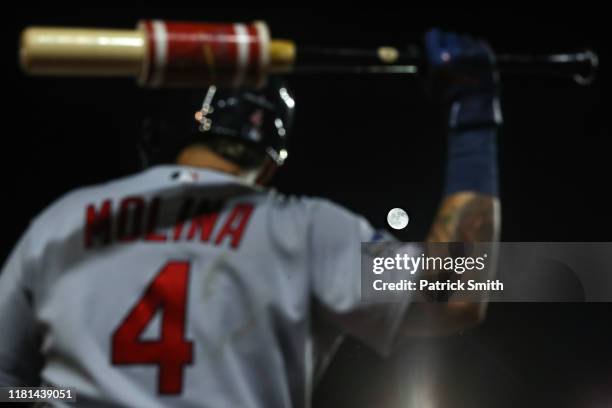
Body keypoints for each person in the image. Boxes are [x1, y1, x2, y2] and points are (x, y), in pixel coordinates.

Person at [0, 30, 501, 407]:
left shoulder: (63, 221)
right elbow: (459, 291)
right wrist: (473, 117)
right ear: (269, 159)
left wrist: (51, 399)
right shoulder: (306, 231)